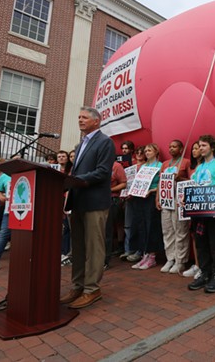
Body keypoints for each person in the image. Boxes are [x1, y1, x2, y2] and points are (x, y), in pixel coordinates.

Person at [60, 107, 115, 309]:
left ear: (96, 121)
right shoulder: (80, 144)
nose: (80, 120)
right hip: (78, 202)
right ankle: (78, 286)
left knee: (94, 247)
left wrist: (74, 180)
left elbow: (102, 172)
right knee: (79, 247)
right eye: (79, 117)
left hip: (95, 203)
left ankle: (92, 289)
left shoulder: (105, 142)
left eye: (84, 117)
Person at [187, 134, 215, 293]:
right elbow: (195, 187)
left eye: (203, 145)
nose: (200, 148)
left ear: (212, 147)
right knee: (200, 242)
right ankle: (205, 272)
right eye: (199, 146)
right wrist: (186, 200)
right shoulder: (199, 168)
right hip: (198, 211)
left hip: (212, 210)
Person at [156, 140, 192, 274]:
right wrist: (158, 198)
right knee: (167, 229)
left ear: (181, 149)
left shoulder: (186, 162)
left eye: (174, 146)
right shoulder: (165, 164)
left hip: (179, 198)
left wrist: (180, 179)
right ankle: (170, 258)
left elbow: (192, 180)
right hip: (166, 198)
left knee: (180, 229)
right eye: (170, 146)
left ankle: (180, 260)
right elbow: (160, 182)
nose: (171, 149)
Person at [131, 143, 163, 270]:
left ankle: (152, 256)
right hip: (140, 198)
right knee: (141, 225)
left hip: (151, 197)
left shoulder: (160, 166)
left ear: (156, 152)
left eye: (149, 150)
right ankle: (145, 253)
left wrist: (152, 191)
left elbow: (161, 184)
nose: (147, 152)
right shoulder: (143, 166)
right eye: (146, 150)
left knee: (152, 225)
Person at [183, 141, 203, 279]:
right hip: (192, 204)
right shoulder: (191, 167)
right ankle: (197, 264)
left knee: (204, 235)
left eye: (198, 148)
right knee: (194, 235)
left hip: (205, 203)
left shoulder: (208, 165)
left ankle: (204, 265)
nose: (196, 150)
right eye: (194, 148)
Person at [124, 145, 147, 263]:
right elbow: (126, 183)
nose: (139, 154)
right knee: (130, 224)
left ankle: (140, 250)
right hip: (130, 198)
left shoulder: (147, 167)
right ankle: (131, 248)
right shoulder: (131, 168)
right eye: (137, 152)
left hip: (142, 198)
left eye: (142, 152)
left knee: (141, 225)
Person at [104, 159, 127, 269]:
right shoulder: (95, 164)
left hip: (112, 200)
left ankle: (105, 260)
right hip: (96, 200)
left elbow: (123, 183)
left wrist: (110, 190)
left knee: (107, 230)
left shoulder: (116, 166)